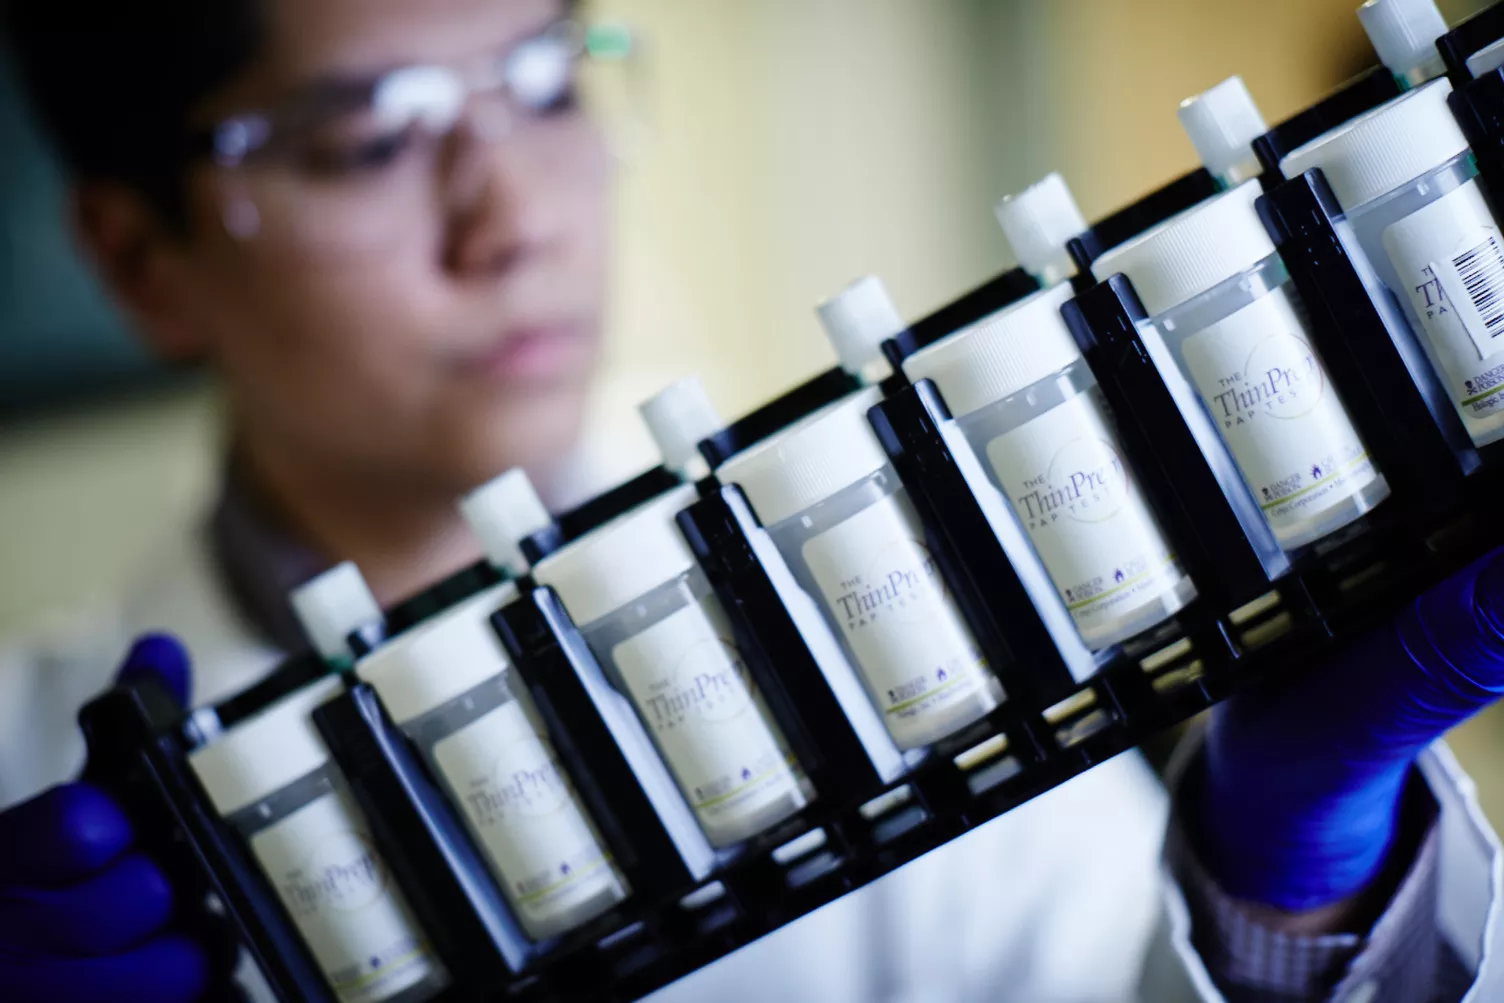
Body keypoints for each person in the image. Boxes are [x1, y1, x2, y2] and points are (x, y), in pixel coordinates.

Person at [0, 1, 1498, 1000]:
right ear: (139, 258)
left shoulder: (885, 629)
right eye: (363, 137)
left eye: (544, 83)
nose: (516, 216)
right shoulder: (35, 834)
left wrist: (1292, 882)